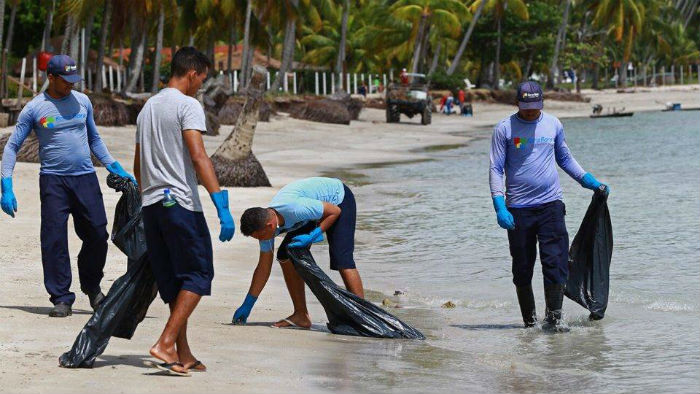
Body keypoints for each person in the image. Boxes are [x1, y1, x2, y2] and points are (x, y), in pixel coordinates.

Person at [1, 55, 135, 318]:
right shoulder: (35, 108)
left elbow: (94, 138)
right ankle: (61, 296)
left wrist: (114, 166)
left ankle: (92, 286)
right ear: (51, 78)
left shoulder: (82, 101)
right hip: (53, 181)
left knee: (97, 234)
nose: (71, 85)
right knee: (54, 239)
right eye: (66, 81)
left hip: (85, 178)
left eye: (75, 80)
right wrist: (6, 184)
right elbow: (12, 147)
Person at [133, 47, 235, 375]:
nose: (200, 88)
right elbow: (198, 156)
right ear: (192, 74)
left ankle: (182, 353)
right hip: (179, 203)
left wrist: (150, 197)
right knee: (198, 273)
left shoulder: (148, 107)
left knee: (177, 281)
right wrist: (221, 204)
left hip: (152, 205)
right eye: (201, 82)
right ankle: (164, 343)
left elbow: (138, 165)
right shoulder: (188, 105)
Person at [489, 81, 609, 332]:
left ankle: (554, 320)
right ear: (517, 103)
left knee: (556, 262)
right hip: (518, 209)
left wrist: (590, 182)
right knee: (522, 268)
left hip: (551, 206)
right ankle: (529, 323)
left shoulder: (553, 124)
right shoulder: (504, 129)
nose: (531, 112)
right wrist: (500, 206)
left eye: (536, 106)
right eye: (526, 107)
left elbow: (564, 158)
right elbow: (496, 168)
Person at [233, 177, 364, 329]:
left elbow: (334, 211)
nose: (260, 240)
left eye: (260, 237)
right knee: (285, 255)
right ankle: (301, 315)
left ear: (269, 225)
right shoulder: (266, 227)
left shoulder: (294, 209)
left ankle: (362, 316)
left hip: (338, 200)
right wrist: (247, 304)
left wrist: (314, 235)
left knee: (342, 260)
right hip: (314, 209)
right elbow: (263, 268)